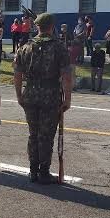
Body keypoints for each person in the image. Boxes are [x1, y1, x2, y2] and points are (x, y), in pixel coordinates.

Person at [14, 13, 72, 185]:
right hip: (50, 96)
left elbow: (17, 75)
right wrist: (67, 98)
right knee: (46, 135)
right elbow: (66, 76)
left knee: (33, 134)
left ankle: (33, 171)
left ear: (37, 27)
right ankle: (44, 172)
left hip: (30, 94)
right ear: (52, 27)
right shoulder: (59, 47)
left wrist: (19, 95)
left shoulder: (25, 47)